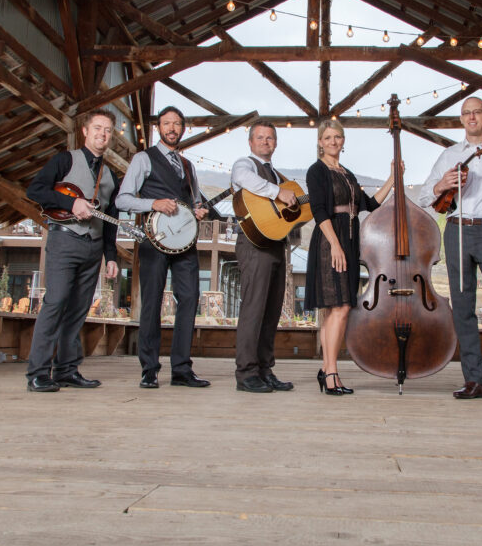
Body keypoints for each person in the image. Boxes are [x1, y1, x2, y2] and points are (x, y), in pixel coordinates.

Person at [418, 96, 482, 404]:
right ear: (462, 120)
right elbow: (426, 196)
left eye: (477, 112)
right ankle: (474, 380)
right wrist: (442, 185)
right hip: (457, 230)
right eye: (466, 113)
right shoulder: (450, 154)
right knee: (463, 307)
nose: (472, 117)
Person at [25, 109, 120, 392]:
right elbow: (35, 190)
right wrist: (71, 204)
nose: (102, 134)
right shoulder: (64, 160)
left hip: (93, 248)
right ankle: (38, 373)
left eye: (108, 131)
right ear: (85, 131)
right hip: (64, 241)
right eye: (98, 128)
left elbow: (111, 220)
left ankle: (67, 370)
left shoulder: (111, 176)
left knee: (78, 310)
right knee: (55, 303)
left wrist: (111, 256)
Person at [116, 106, 210, 389]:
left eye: (177, 124)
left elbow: (193, 201)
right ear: (159, 127)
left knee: (190, 299)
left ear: (183, 129)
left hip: (185, 243)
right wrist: (153, 204)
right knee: (152, 303)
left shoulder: (188, 166)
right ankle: (149, 369)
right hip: (153, 240)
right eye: (166, 123)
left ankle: (181, 369)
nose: (172, 128)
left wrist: (198, 210)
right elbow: (122, 200)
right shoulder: (143, 159)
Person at [304, 119, 395, 396]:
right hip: (331, 241)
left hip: (350, 241)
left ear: (343, 141)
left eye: (337, 137)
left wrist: (393, 178)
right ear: (320, 142)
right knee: (339, 308)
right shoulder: (316, 171)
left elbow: (369, 205)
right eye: (328, 137)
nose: (333, 142)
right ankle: (331, 372)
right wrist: (335, 245)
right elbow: (319, 211)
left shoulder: (348, 173)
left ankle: (327, 370)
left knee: (337, 309)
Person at [230, 121, 298, 393]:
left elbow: (286, 215)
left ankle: (265, 369)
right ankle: (246, 374)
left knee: (271, 312)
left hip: (276, 245)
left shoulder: (280, 175)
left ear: (276, 143)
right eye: (260, 137)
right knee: (254, 309)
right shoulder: (243, 165)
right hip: (253, 244)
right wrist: (277, 192)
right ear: (250, 142)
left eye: (270, 138)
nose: (266, 142)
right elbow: (247, 182)